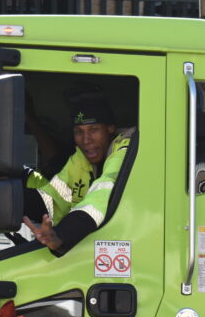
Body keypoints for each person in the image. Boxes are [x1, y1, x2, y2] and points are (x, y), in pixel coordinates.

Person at [23, 97, 135, 256]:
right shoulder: (81, 159)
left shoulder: (125, 149)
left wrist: (60, 236)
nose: (86, 140)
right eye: (78, 132)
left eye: (94, 130)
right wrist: (2, 200)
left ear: (110, 129)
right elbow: (53, 198)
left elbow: (100, 197)